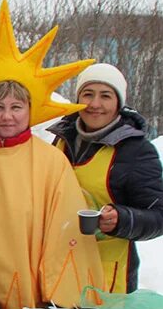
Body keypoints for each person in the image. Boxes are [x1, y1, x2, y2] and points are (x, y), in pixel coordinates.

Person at [0, 80, 103, 309]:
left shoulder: (51, 161)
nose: (7, 116)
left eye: (16, 107)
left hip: (32, 290)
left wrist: (53, 291)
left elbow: (64, 227)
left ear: (29, 110)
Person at [47, 63, 163, 294]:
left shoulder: (136, 151)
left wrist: (123, 219)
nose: (95, 104)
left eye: (106, 96)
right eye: (87, 94)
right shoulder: (60, 140)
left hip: (107, 274)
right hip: (57, 265)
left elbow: (158, 215)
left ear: (118, 103)